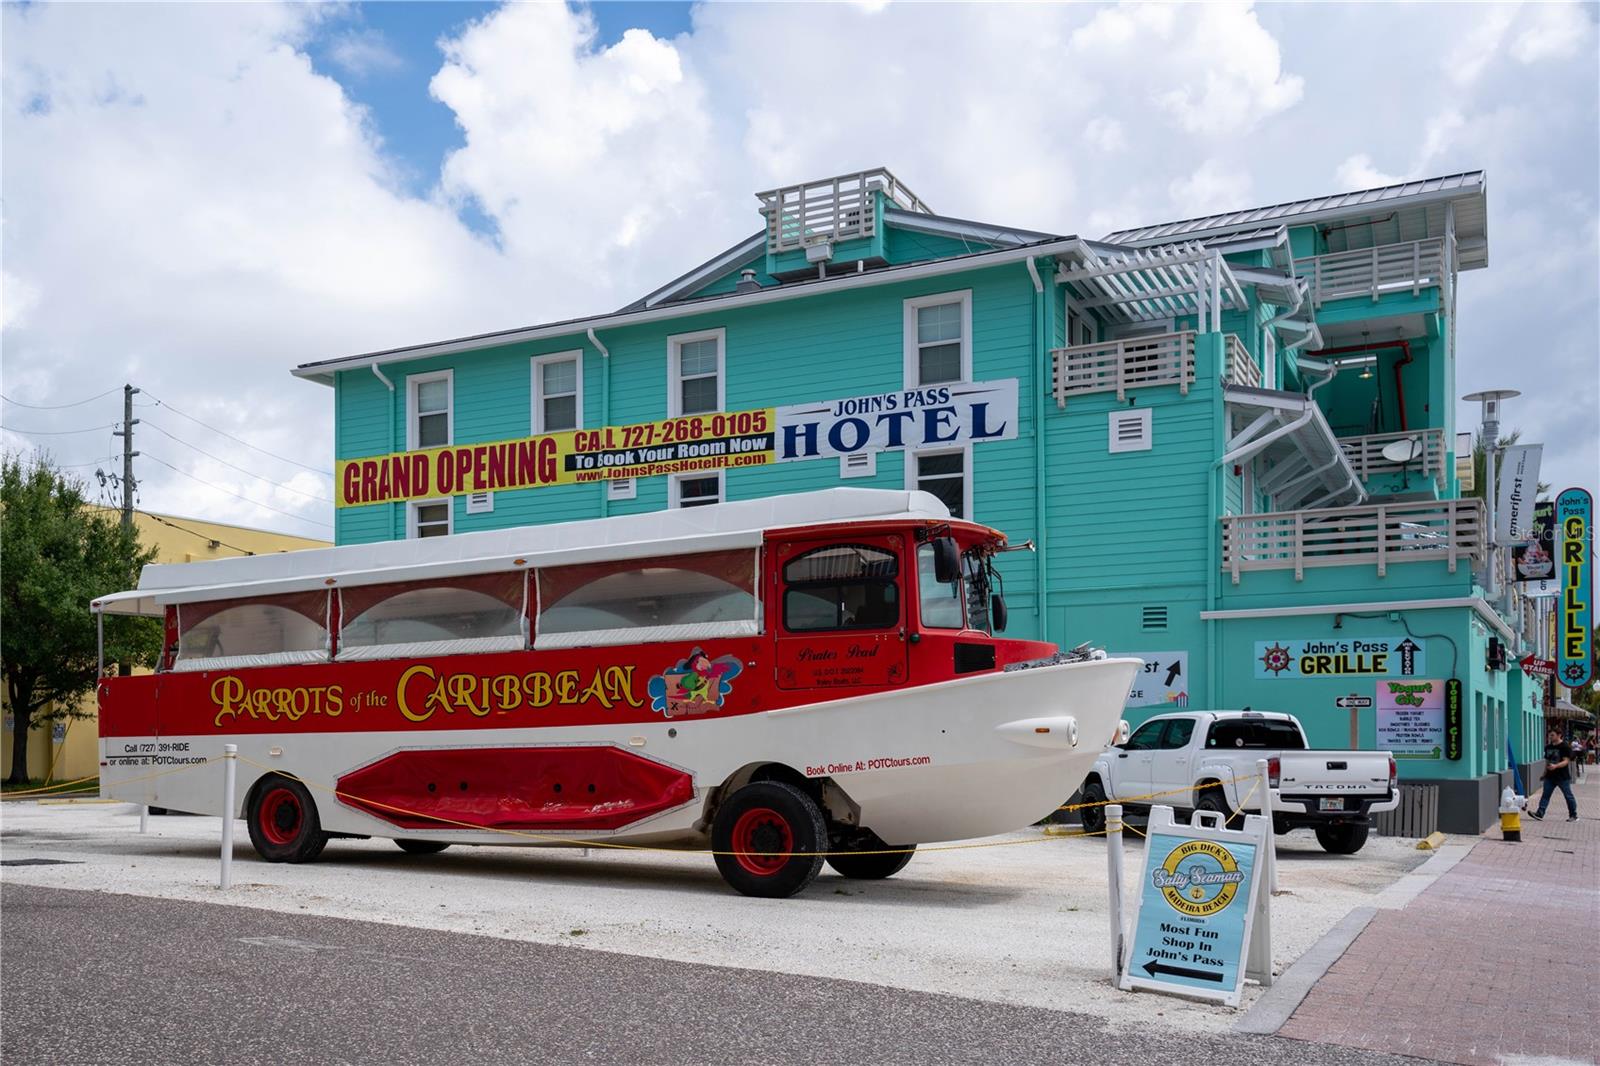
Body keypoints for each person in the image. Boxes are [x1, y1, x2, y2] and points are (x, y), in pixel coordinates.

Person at [1529, 728, 1578, 822]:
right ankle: (1540, 813)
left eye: (1552, 735)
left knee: (1568, 795)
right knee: (1545, 795)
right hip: (1550, 776)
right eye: (1549, 735)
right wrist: (1544, 773)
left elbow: (1566, 761)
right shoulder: (1548, 747)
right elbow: (1547, 761)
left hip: (1562, 777)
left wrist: (1556, 766)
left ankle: (1573, 815)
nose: (1550, 737)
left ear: (1559, 735)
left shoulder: (1564, 747)